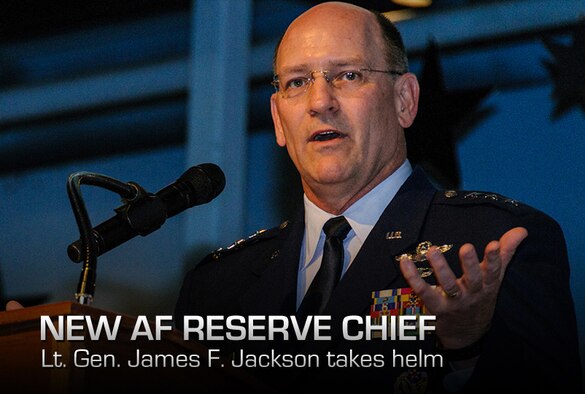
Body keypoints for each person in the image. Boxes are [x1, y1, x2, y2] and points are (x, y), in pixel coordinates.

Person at [174, 2, 582, 393]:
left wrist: (468, 354)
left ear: (404, 100)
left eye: (348, 75)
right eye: (298, 82)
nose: (320, 102)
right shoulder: (217, 289)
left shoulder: (492, 244)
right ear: (279, 120)